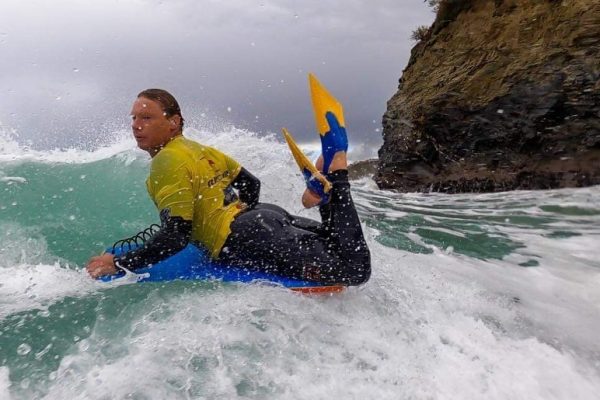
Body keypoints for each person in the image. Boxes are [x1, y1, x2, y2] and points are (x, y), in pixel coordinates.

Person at [86, 88, 370, 286]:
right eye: (134, 118)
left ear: (173, 122)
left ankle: (337, 175)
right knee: (335, 241)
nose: (136, 125)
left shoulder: (165, 162)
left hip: (243, 237)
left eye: (146, 118)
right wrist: (241, 214)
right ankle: (323, 193)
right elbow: (250, 184)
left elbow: (176, 236)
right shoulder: (198, 148)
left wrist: (121, 263)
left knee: (353, 268)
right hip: (264, 216)